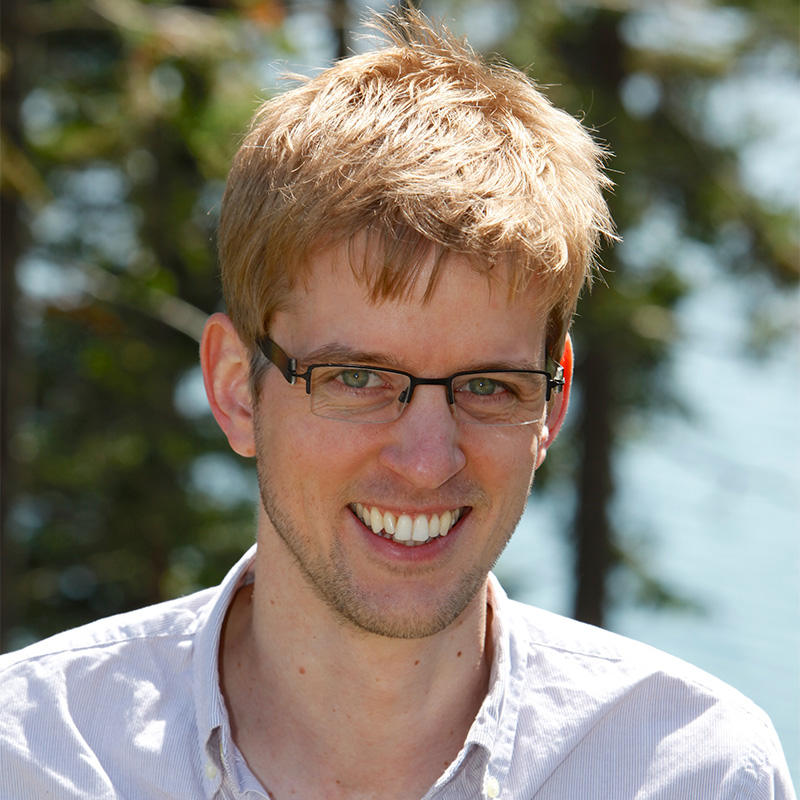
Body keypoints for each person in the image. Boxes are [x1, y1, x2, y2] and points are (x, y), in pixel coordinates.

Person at [0, 9, 795, 800]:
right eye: (358, 378)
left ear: (551, 407)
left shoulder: (695, 769)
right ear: (238, 389)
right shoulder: (37, 754)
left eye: (488, 386)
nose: (426, 461)